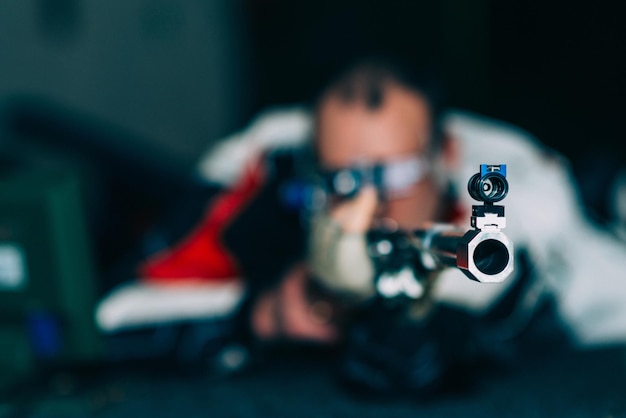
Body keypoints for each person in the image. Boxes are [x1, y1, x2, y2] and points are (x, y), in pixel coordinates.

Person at [98, 56, 626, 394]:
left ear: (443, 154)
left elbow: (506, 276)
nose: (369, 204)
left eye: (395, 174)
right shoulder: (262, 165)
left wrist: (445, 326)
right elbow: (110, 316)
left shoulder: (502, 176)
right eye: (344, 180)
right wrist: (263, 315)